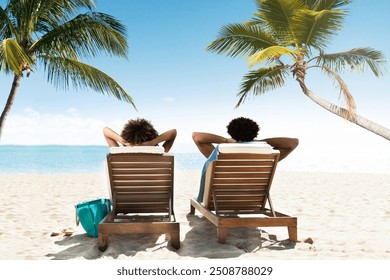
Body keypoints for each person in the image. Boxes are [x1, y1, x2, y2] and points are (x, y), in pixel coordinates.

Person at [192, 117, 299, 160]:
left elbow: (196, 136)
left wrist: (226, 140)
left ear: (231, 133)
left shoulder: (219, 155)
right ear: (255, 133)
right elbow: (293, 143)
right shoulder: (266, 157)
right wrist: (260, 142)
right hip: (254, 200)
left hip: (218, 201)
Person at [103, 118, 177, 153]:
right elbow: (173, 132)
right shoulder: (159, 154)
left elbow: (105, 130)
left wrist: (124, 142)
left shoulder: (119, 154)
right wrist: (152, 143)